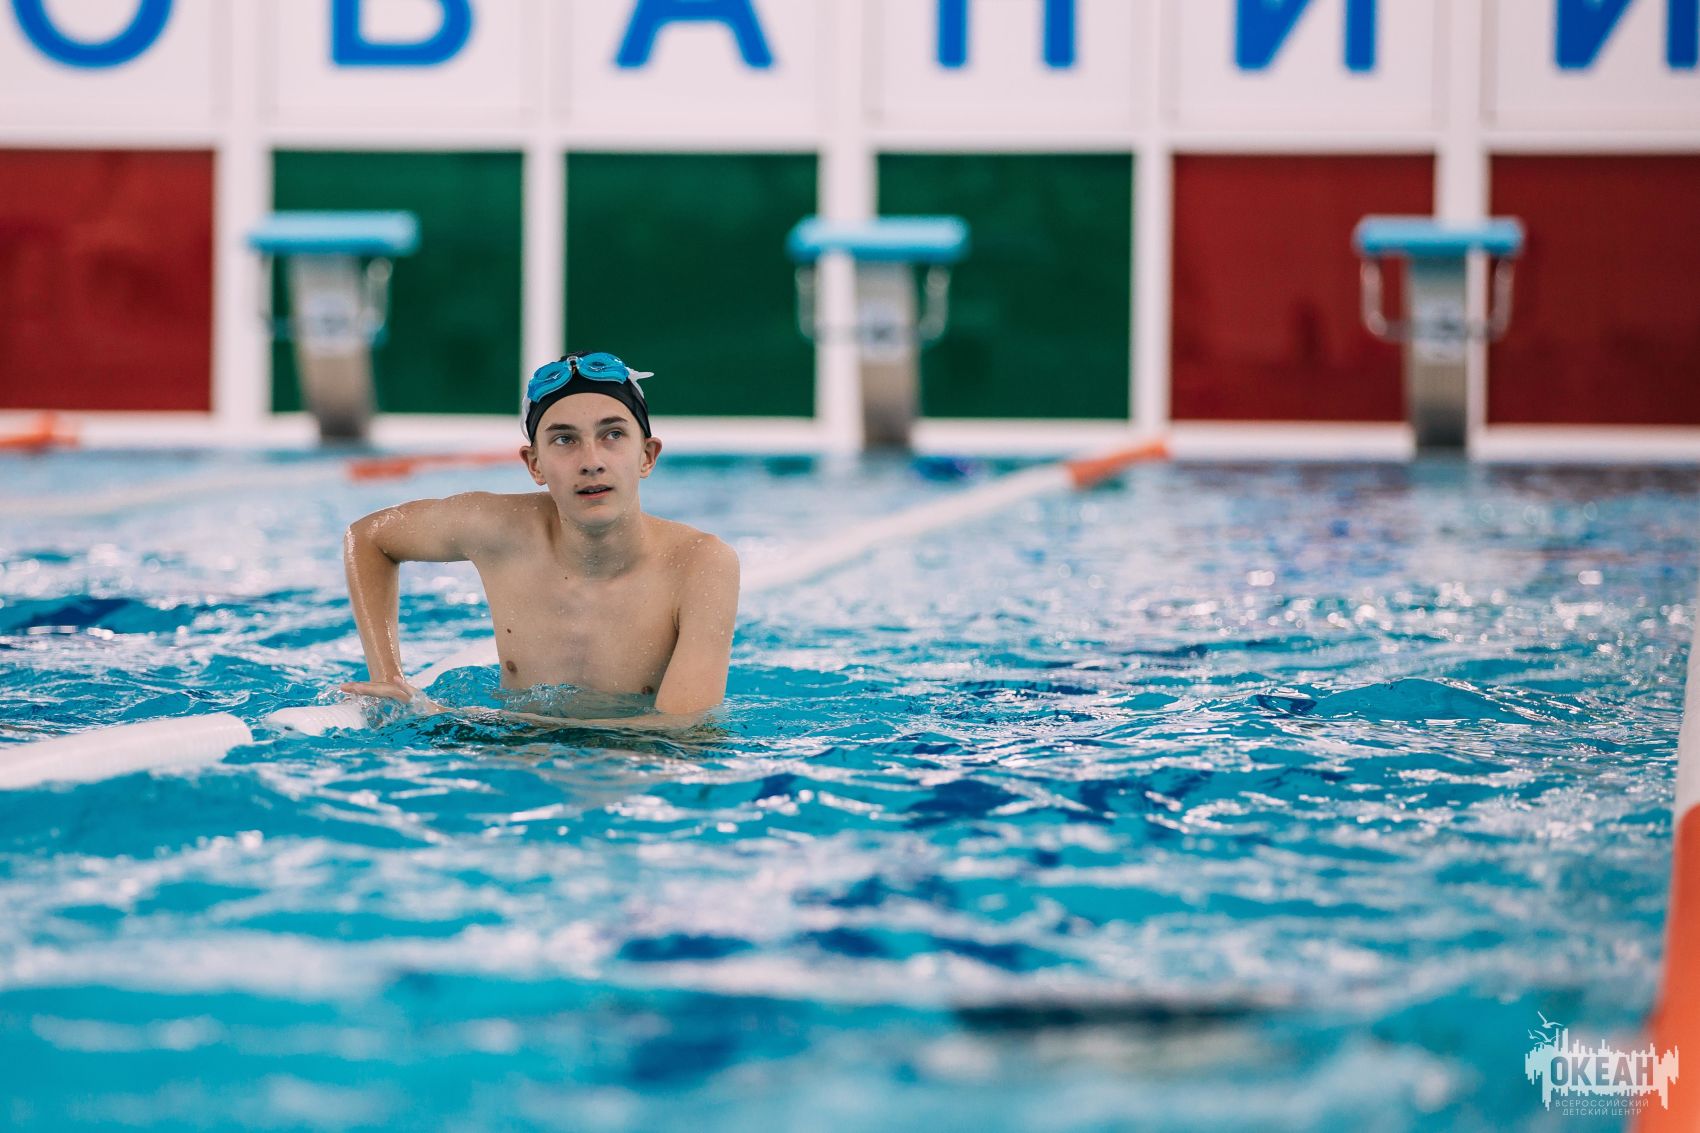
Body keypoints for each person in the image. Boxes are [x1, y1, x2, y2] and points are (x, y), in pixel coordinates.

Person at [339, 351, 739, 732]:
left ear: (647, 456)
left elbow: (682, 733)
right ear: (534, 464)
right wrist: (388, 679)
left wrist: (453, 719)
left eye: (613, 434)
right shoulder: (497, 529)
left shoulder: (699, 565)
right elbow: (368, 536)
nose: (591, 461)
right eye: (565, 440)